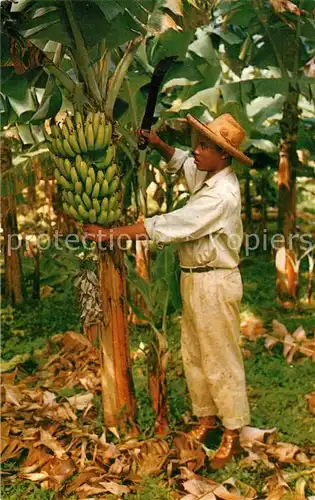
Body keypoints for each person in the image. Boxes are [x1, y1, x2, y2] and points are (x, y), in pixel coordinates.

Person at [84, 113, 254, 469]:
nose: (197, 150)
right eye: (199, 142)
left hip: (215, 282)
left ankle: (233, 433)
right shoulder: (210, 175)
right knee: (193, 352)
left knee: (220, 357)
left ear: (223, 156)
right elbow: (186, 166)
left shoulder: (221, 196)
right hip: (194, 278)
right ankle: (207, 420)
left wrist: (110, 234)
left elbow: (175, 224)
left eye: (204, 146)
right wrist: (161, 146)